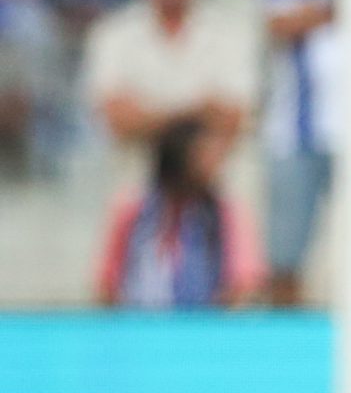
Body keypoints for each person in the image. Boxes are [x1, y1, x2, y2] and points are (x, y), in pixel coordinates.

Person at [82, 0, 252, 183]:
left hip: (209, 190)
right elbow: (116, 119)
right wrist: (194, 112)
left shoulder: (229, 33)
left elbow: (234, 118)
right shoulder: (114, 33)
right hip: (135, 187)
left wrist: (149, 116)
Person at [258, 0, 338, 306]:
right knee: (286, 256)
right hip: (298, 129)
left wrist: (321, 9)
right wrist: (343, 5)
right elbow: (282, 21)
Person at [94, 117, 264, 307]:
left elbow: (244, 282)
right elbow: (107, 282)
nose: (217, 163)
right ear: (179, 156)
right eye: (205, 154)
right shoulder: (133, 210)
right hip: (137, 325)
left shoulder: (225, 213)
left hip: (204, 326)